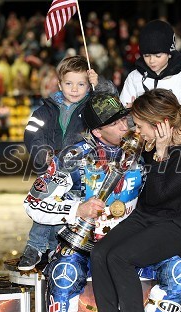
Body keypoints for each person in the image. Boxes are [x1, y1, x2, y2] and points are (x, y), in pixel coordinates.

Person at [91, 88, 181, 312]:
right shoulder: (148, 144)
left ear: (161, 125)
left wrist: (161, 153)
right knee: (99, 253)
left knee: (119, 257)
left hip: (180, 225)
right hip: (147, 217)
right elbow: (147, 196)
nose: (137, 130)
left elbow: (160, 196)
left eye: (139, 125)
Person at [18, 55, 113, 270]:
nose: (74, 89)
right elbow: (32, 132)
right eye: (69, 83)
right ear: (59, 84)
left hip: (83, 170)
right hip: (52, 167)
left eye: (81, 84)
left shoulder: (92, 108)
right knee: (49, 202)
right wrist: (43, 151)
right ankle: (36, 246)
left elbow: (112, 104)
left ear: (89, 85)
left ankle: (53, 247)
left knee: (69, 210)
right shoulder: (46, 109)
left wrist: (101, 85)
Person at [119, 19, 181, 128]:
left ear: (169, 53)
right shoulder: (135, 77)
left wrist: (174, 114)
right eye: (146, 55)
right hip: (143, 139)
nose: (151, 60)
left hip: (175, 139)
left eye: (158, 56)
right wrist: (130, 113)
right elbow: (122, 117)